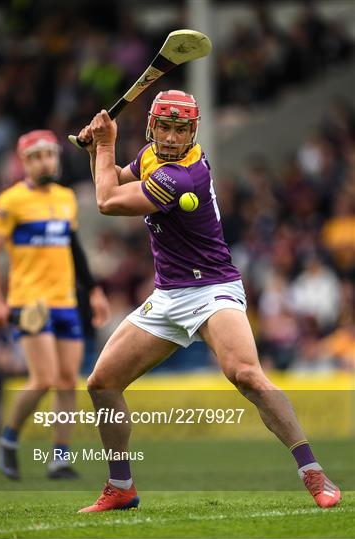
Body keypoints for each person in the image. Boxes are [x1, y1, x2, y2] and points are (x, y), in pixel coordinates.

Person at [76, 90, 340, 512]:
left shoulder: (182, 176)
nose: (172, 137)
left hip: (212, 289)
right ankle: (121, 486)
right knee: (102, 383)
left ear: (193, 132)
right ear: (152, 126)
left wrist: (105, 144)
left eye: (182, 129)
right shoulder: (150, 157)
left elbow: (107, 202)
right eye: (165, 126)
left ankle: (312, 471)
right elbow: (116, 181)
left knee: (246, 374)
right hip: (168, 295)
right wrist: (96, 153)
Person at [0, 129, 110, 480]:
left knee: (66, 381)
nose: (46, 161)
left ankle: (59, 457)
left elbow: (73, 249)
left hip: (65, 301)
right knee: (42, 378)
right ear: (25, 162)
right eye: (38, 156)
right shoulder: (10, 202)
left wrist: (93, 291)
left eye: (51, 155)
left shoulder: (65, 198)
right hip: (30, 301)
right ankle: (10, 438)